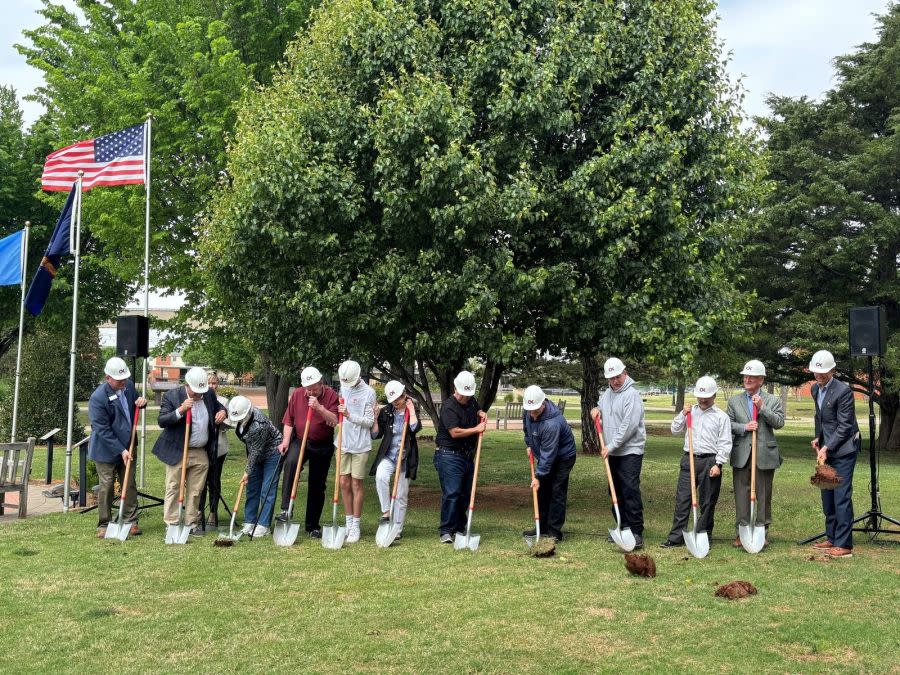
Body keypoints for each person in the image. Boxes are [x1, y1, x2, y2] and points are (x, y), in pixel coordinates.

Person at [152, 366, 227, 538]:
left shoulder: (208, 394)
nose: (200, 394)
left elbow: (219, 407)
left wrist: (223, 411)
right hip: (179, 449)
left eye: (202, 391)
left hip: (201, 451)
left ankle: (191, 523)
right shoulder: (172, 396)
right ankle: (171, 523)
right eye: (196, 391)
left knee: (196, 490)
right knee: (173, 487)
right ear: (187, 385)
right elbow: (162, 420)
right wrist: (180, 411)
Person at [661, 376, 731, 548]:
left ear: (714, 396)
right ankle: (676, 536)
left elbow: (725, 442)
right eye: (700, 397)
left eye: (706, 397)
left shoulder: (721, 417)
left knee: (708, 501)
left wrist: (719, 464)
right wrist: (682, 414)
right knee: (683, 499)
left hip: (710, 461)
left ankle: (703, 534)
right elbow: (675, 430)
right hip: (689, 459)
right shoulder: (690, 412)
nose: (702, 400)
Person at [725, 359, 785, 548]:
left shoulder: (773, 400)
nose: (747, 379)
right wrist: (744, 427)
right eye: (745, 376)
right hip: (742, 455)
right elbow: (727, 425)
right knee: (741, 494)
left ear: (761, 380)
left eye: (752, 377)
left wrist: (762, 408)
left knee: (764, 495)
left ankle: (762, 532)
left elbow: (779, 423)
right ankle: (741, 532)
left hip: (765, 456)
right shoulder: (734, 401)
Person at [87, 357, 147, 538]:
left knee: (129, 483)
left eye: (125, 379)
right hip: (106, 449)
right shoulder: (98, 398)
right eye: (119, 379)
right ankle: (104, 523)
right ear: (107, 378)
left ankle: (131, 520)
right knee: (106, 485)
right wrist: (121, 450)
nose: (123, 382)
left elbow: (136, 402)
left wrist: (141, 402)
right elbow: (102, 430)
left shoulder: (127, 387)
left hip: (129, 444)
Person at [276, 366, 339, 539]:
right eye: (308, 388)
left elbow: (334, 420)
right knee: (290, 463)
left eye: (313, 388)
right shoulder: (297, 394)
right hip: (300, 439)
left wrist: (319, 407)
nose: (310, 391)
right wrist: (286, 441)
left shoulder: (331, 395)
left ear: (321, 383)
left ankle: (312, 525)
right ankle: (285, 509)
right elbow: (289, 420)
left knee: (317, 484)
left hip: (322, 444)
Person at [809, 349, 861, 558]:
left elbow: (845, 425)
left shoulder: (843, 391)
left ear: (833, 370)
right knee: (827, 496)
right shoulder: (814, 389)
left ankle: (844, 544)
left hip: (844, 450)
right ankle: (831, 537)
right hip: (826, 449)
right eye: (816, 372)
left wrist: (827, 447)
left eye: (823, 373)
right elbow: (821, 418)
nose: (819, 376)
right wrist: (818, 438)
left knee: (840, 496)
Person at [590, 357, 646, 549]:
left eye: (618, 376)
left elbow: (628, 426)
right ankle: (623, 526)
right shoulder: (607, 394)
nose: (615, 380)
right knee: (614, 490)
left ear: (625, 373)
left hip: (630, 451)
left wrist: (611, 446)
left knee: (630, 489)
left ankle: (636, 531)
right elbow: (602, 406)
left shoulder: (632, 395)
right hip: (612, 452)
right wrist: (597, 409)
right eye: (611, 377)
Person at [434, 371, 487, 544]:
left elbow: (476, 408)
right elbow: (454, 432)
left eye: (468, 395)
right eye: (463, 395)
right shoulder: (449, 406)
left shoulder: (471, 401)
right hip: (449, 455)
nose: (466, 398)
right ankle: (446, 530)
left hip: (466, 456)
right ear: (456, 390)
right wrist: (476, 429)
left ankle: (460, 527)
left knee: (465, 493)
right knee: (452, 492)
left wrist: (480, 412)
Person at [521, 385, 577, 542]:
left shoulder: (552, 423)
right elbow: (527, 429)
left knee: (556, 491)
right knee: (542, 491)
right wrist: (529, 444)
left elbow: (549, 454)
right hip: (546, 454)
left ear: (543, 403)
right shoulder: (528, 410)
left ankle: (554, 531)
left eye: (535, 410)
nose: (531, 414)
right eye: (529, 410)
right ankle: (541, 527)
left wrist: (538, 476)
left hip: (563, 457)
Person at [370, 380, 422, 540]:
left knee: (401, 494)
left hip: (406, 457)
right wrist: (375, 418)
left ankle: (397, 529)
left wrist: (412, 411)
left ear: (404, 394)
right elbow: (375, 435)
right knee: (381, 476)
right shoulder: (387, 412)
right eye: (393, 400)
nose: (397, 402)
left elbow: (415, 428)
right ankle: (386, 512)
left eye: (399, 398)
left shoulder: (411, 409)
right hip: (389, 455)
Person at [227, 395, 283, 537]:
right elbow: (251, 448)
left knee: (267, 488)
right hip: (255, 452)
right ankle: (250, 521)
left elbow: (256, 451)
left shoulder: (259, 424)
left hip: (272, 453)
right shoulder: (240, 416)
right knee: (252, 488)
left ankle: (263, 525)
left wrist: (247, 471)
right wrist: (249, 471)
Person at [336, 360, 376, 544]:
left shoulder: (369, 393)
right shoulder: (343, 387)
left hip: (360, 444)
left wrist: (349, 415)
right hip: (343, 442)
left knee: (356, 484)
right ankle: (348, 521)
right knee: (343, 482)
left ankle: (356, 526)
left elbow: (369, 421)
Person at [199, 371, 229, 528]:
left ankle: (213, 511)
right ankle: (199, 512)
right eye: (209, 383)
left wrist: (222, 418)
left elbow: (231, 423)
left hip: (219, 448)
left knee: (214, 480)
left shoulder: (223, 401)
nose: (211, 386)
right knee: (201, 481)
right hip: (203, 448)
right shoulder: (200, 398)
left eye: (214, 383)